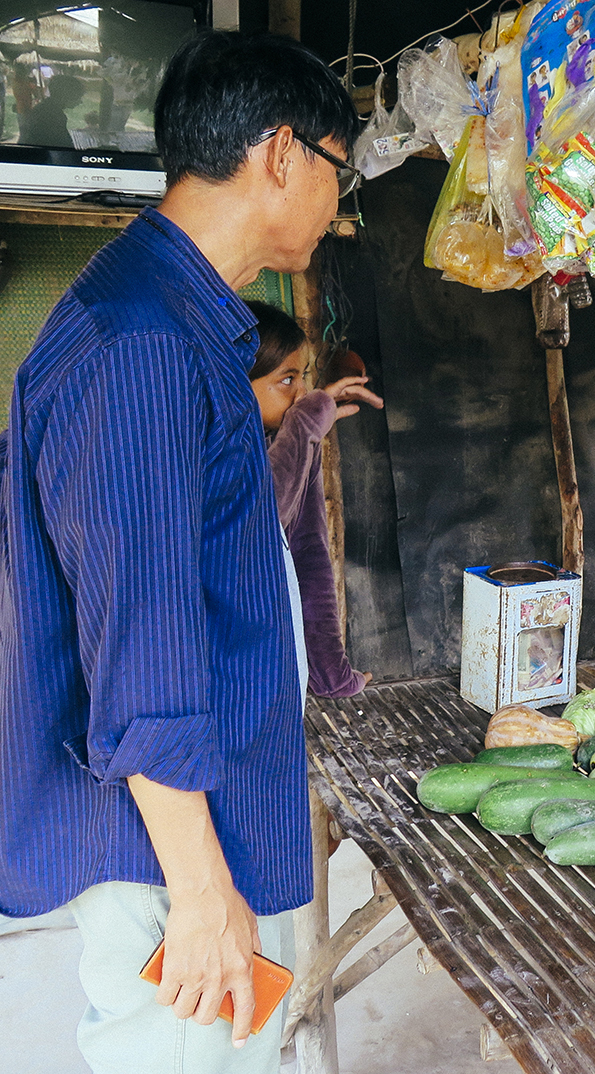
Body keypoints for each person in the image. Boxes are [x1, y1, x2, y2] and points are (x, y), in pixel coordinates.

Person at [0, 31, 358, 1074]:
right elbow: (140, 635)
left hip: (191, 812)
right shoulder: (145, 344)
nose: (339, 200)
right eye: (339, 168)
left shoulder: (174, 317)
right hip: (164, 844)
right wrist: (201, 893)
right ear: (282, 154)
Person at [246, 300, 383, 699]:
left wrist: (329, 671)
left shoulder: (285, 436)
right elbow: (258, 520)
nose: (303, 392)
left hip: (280, 680)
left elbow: (308, 552)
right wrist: (307, 423)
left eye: (304, 376)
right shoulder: (207, 451)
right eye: (287, 379)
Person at [19, 73, 84, 147]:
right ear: (66, 96)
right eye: (78, 96)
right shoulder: (53, 115)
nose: (80, 101)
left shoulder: (46, 108)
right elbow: (61, 145)